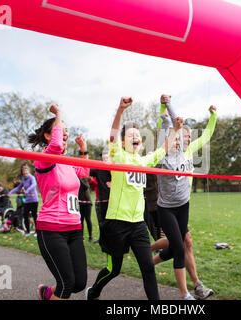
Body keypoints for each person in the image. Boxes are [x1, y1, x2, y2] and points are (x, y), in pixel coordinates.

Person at [86, 97, 182, 301]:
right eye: (131, 135)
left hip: (138, 224)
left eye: (138, 135)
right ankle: (93, 292)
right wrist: (120, 109)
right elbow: (112, 136)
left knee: (148, 269)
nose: (136, 137)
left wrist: (175, 130)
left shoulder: (143, 161)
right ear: (123, 142)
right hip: (116, 224)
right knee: (114, 269)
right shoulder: (118, 156)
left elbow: (162, 150)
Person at [151, 94, 216, 300]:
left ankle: (146, 255)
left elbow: (205, 136)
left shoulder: (188, 151)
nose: (185, 140)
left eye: (187, 137)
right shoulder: (164, 154)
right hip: (167, 206)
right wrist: (166, 106)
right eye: (181, 137)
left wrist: (213, 116)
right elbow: (168, 127)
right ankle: (190, 289)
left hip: (183, 205)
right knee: (181, 245)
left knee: (180, 244)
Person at [28, 103, 90, 300]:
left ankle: (47, 293)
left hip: (74, 228)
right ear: (49, 135)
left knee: (79, 283)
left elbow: (85, 172)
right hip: (52, 228)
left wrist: (83, 149)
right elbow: (55, 146)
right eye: (60, 130)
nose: (64, 134)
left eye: (66, 131)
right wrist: (59, 114)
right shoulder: (44, 158)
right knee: (66, 285)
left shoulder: (67, 161)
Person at [8, 164, 39, 236]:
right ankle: (27, 231)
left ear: (28, 171)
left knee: (34, 216)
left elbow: (34, 185)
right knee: (25, 215)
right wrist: (10, 192)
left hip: (34, 200)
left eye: (26, 171)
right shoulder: (23, 179)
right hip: (27, 200)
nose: (25, 173)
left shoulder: (32, 178)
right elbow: (18, 188)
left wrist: (27, 191)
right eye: (24, 171)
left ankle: (37, 232)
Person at [89, 151, 112, 230]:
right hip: (103, 201)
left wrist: (114, 184)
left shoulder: (116, 168)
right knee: (103, 224)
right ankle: (103, 241)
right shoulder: (98, 168)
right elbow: (86, 170)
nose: (105, 158)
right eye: (103, 157)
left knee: (114, 224)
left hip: (115, 201)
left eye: (107, 156)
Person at [78, 177, 93, 242]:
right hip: (80, 203)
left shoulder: (83, 179)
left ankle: (90, 237)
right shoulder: (75, 179)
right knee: (81, 220)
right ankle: (81, 237)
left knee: (88, 219)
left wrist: (80, 179)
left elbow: (86, 186)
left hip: (87, 203)